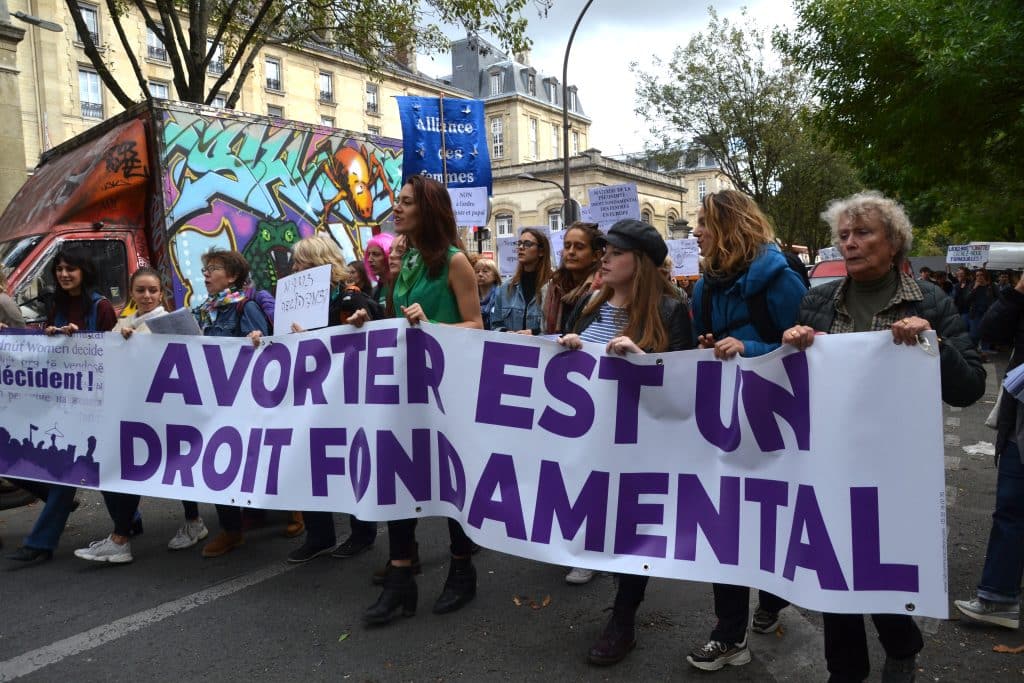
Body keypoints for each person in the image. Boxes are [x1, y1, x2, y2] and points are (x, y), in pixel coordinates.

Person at [783, 191, 985, 682]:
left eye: (863, 233)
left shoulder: (930, 301)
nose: (850, 244)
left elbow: (970, 388)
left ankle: (901, 644)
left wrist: (932, 346)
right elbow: (794, 385)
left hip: (895, 468)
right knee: (835, 571)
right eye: (844, 236)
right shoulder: (817, 301)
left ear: (894, 242)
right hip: (830, 463)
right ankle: (844, 670)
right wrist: (791, 346)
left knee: (881, 567)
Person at [554, 219, 693, 665]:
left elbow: (685, 387)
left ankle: (623, 619)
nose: (604, 258)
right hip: (590, 443)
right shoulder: (589, 305)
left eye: (614, 252)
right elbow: (564, 364)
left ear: (641, 263)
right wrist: (569, 347)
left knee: (631, 531)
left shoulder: (671, 312)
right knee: (600, 522)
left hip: (639, 447)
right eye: (605, 251)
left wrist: (643, 361)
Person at [349, 174, 483, 625]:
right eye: (398, 202)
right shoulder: (404, 262)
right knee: (398, 477)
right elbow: (400, 322)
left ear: (427, 208)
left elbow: (477, 327)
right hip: (404, 391)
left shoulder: (455, 261)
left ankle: (462, 571)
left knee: (448, 483)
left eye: (406, 202)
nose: (397, 209)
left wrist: (431, 325)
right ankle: (401, 578)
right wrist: (372, 317)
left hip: (445, 393)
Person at [686, 189, 808, 672]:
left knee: (773, 519)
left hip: (777, 424)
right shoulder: (706, 285)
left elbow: (805, 348)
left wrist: (750, 348)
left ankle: (774, 595)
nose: (694, 231)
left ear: (729, 226)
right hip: (728, 423)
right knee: (728, 526)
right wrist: (709, 344)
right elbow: (708, 341)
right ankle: (728, 633)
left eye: (702, 222)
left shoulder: (781, 279)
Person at [5, 244, 117, 563]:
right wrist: (44, 336)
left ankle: (40, 543)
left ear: (84, 272)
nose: (64, 275)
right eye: (59, 270)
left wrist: (82, 340)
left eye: (71, 269)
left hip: (96, 403)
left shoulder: (102, 307)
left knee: (71, 471)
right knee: (79, 468)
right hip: (66, 402)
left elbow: (115, 355)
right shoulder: (56, 304)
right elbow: (48, 350)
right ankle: (129, 520)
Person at [284, 235, 379, 563]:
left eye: (302, 262)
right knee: (309, 464)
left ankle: (363, 531)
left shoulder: (349, 300)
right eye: (295, 263)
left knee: (352, 461)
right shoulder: (294, 302)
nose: (295, 268)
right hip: (309, 397)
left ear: (321, 264)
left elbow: (371, 331)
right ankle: (319, 534)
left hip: (346, 399)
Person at [73, 267, 170, 563]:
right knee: (114, 475)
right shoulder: (125, 323)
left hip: (156, 415)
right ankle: (122, 535)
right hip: (128, 414)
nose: (147, 296)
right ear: (132, 293)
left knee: (123, 474)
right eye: (140, 290)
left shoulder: (168, 322)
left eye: (153, 290)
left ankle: (121, 538)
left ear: (161, 293)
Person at [954, 271, 1024, 632]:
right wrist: (1017, 292)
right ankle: (998, 596)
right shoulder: (1016, 295)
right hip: (1020, 419)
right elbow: (991, 332)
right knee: (1012, 507)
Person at [192, 248, 270, 557]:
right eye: (205, 269)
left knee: (254, 462)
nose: (206, 275)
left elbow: (271, 352)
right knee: (216, 463)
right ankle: (231, 530)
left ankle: (289, 510)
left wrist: (257, 341)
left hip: (244, 402)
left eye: (213, 269)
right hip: (215, 401)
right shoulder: (204, 311)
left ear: (233, 276)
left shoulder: (244, 308)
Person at [542, 221, 605, 335]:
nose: (571, 252)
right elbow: (545, 330)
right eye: (567, 246)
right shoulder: (554, 287)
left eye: (579, 247)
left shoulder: (603, 290)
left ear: (596, 255)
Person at [490, 227, 552, 334]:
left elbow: (558, 328)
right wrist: (505, 332)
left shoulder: (553, 287)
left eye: (527, 244)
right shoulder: (506, 287)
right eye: (519, 243)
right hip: (512, 348)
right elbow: (495, 324)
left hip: (540, 348)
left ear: (541, 251)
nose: (521, 247)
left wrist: (533, 333)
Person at [967, 268, 997, 358]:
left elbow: (999, 298)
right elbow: (967, 299)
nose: (979, 277)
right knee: (974, 334)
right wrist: (975, 288)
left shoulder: (991, 286)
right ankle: (974, 350)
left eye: (981, 275)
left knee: (986, 333)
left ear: (985, 276)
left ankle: (984, 353)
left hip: (988, 313)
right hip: (975, 313)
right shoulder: (972, 285)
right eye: (977, 275)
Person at [364, 232, 394, 311]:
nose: (369, 259)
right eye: (369, 254)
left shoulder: (400, 285)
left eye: (376, 254)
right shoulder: (375, 291)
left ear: (389, 255)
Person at [474, 258, 501, 329]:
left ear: (495, 275)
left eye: (485, 271)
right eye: (477, 271)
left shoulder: (501, 295)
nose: (480, 274)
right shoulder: (470, 296)